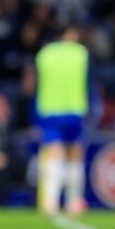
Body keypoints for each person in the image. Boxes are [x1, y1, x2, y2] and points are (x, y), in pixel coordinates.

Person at [35, 26, 89, 216]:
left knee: (54, 153)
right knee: (75, 153)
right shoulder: (81, 53)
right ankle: (74, 201)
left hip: (50, 109)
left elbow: (38, 81)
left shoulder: (44, 54)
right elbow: (89, 81)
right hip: (75, 109)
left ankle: (50, 201)